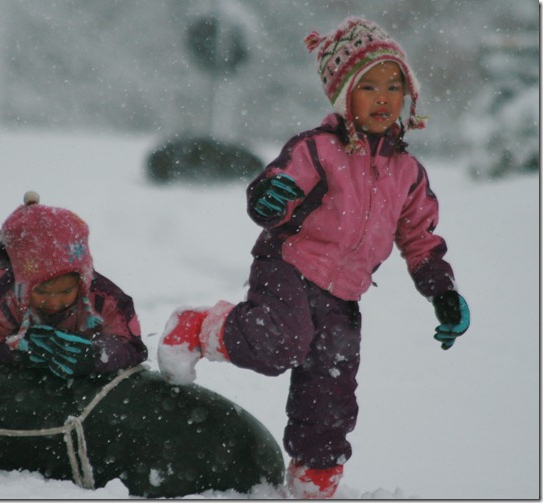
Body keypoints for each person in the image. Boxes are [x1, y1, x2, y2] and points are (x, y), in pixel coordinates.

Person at [157, 16, 470, 499]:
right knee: (279, 343)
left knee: (331, 392)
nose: (384, 97)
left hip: (343, 295)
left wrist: (442, 291)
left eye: (394, 85)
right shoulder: (318, 149)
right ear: (345, 96)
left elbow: (420, 237)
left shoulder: (407, 171)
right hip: (288, 265)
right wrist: (269, 200)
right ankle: (198, 328)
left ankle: (314, 480)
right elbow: (272, 190)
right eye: (368, 86)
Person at [0, 191, 147, 378]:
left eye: (66, 291)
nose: (54, 301)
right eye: (42, 292)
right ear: (22, 286)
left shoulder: (105, 299)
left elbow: (133, 346)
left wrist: (96, 355)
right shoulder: (5, 299)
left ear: (83, 281)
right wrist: (20, 350)